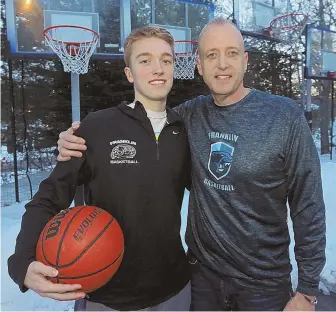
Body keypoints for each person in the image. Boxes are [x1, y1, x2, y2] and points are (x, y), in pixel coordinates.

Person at [57, 17, 326, 311]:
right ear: (199, 66)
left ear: (245, 61)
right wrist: (75, 137)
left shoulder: (285, 117)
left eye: (232, 53)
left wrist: (308, 289)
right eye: (212, 54)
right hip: (202, 279)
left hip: (264, 285)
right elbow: (144, 122)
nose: (222, 64)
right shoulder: (188, 116)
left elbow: (308, 204)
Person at [7, 26, 192, 311]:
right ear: (130, 73)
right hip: (106, 295)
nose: (158, 68)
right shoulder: (96, 127)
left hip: (175, 290)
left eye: (166, 60)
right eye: (145, 60)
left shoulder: (184, 131)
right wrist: (23, 260)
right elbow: (50, 196)